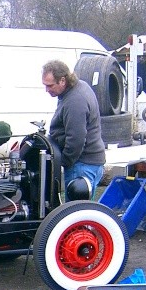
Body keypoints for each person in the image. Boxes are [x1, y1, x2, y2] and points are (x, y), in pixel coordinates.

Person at [41, 59, 106, 200]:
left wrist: (62, 162)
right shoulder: (78, 88)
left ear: (62, 80)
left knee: (75, 215)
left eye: (50, 86)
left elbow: (76, 140)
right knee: (82, 213)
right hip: (87, 163)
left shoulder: (75, 101)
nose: (47, 90)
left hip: (81, 165)